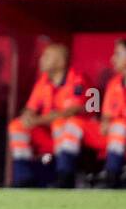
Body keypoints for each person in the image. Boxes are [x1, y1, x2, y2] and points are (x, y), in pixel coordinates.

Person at [56, 38, 126, 188]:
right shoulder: (114, 83)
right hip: (113, 134)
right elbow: (107, 114)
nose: (112, 59)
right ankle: (64, 176)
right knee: (73, 124)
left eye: (117, 54)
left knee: (120, 126)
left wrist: (119, 122)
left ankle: (111, 177)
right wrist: (105, 122)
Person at [7, 43, 91, 187]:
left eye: (46, 56)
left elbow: (70, 112)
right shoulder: (43, 81)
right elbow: (31, 108)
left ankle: (64, 176)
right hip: (49, 135)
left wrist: (37, 120)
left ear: (61, 61)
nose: (41, 60)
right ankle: (23, 178)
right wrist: (27, 117)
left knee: (61, 123)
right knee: (17, 125)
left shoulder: (78, 79)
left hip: (75, 139)